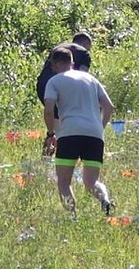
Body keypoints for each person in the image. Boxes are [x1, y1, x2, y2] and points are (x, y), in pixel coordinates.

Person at [41, 50, 114, 214]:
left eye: (53, 65)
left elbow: (48, 110)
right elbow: (109, 107)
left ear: (56, 64)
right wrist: (99, 127)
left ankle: (72, 216)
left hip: (69, 134)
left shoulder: (54, 81)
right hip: (95, 135)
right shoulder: (91, 80)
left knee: (64, 182)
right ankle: (105, 200)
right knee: (92, 182)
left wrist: (51, 133)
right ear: (72, 62)